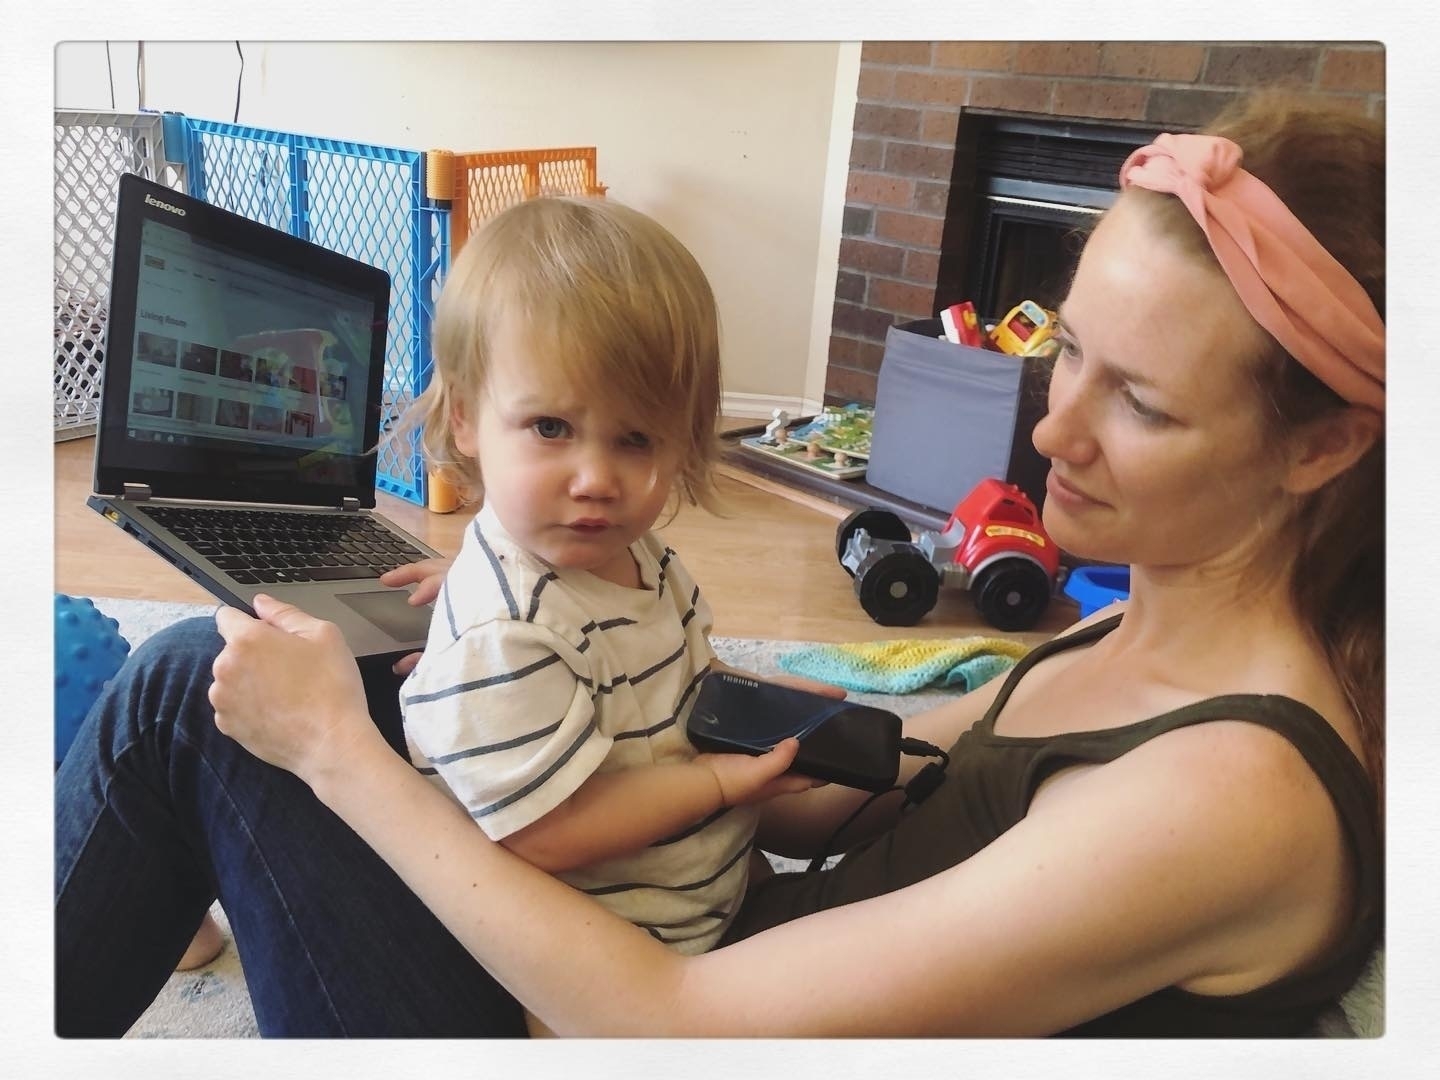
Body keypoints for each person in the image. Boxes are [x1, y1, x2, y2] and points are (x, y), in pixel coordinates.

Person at [55, 92, 1383, 1037]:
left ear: (1323, 445)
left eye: (1140, 403)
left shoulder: (1234, 797)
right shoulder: (1127, 634)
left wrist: (343, 757)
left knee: (192, 691)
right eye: (1070, 351)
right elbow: (857, 779)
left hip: (639, 1008)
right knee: (327, 672)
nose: (1051, 432)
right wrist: (522, 617)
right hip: (712, 928)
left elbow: (672, 1024)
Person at [388, 196, 815, 960]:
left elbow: (677, 681)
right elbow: (547, 830)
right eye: (551, 428)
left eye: (636, 438)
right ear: (465, 418)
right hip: (603, 952)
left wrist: (755, 709)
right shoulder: (503, 631)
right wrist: (720, 783)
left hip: (692, 891)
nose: (595, 480)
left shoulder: (643, 557)